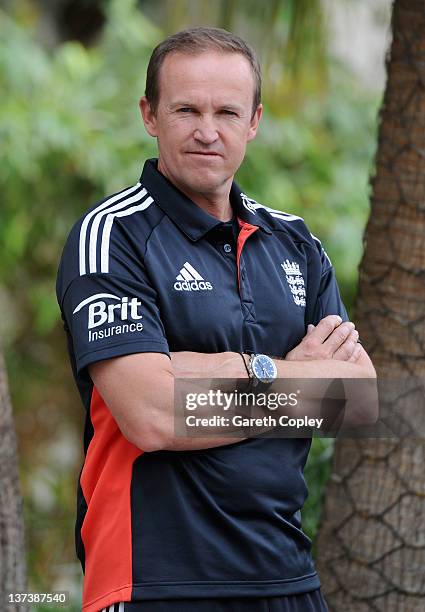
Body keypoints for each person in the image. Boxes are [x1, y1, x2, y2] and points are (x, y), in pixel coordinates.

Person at [56, 26, 376, 612]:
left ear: (254, 121)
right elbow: (153, 414)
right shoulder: (111, 236)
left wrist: (204, 374)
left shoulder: (295, 242)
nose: (208, 131)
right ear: (149, 115)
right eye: (186, 109)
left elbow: (355, 400)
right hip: (156, 581)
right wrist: (288, 372)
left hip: (287, 578)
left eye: (228, 111)